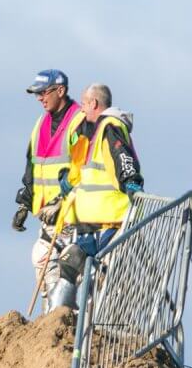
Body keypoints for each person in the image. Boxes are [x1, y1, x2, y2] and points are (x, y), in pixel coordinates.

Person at [47, 83, 143, 308]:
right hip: (87, 224)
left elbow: (122, 158)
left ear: (94, 103)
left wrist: (131, 181)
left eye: (84, 104)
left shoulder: (111, 127)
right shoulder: (90, 132)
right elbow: (81, 168)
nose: (81, 109)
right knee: (69, 264)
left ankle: (100, 321)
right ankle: (60, 321)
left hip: (110, 223)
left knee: (105, 279)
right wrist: (67, 181)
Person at [12, 69, 85, 313]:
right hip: (47, 216)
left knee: (70, 271)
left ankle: (69, 319)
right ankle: (54, 319)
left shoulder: (79, 121)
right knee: (42, 260)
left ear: (60, 91)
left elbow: (83, 168)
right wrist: (25, 202)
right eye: (37, 94)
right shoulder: (40, 125)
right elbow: (32, 166)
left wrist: (63, 199)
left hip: (72, 215)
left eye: (44, 92)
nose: (40, 98)